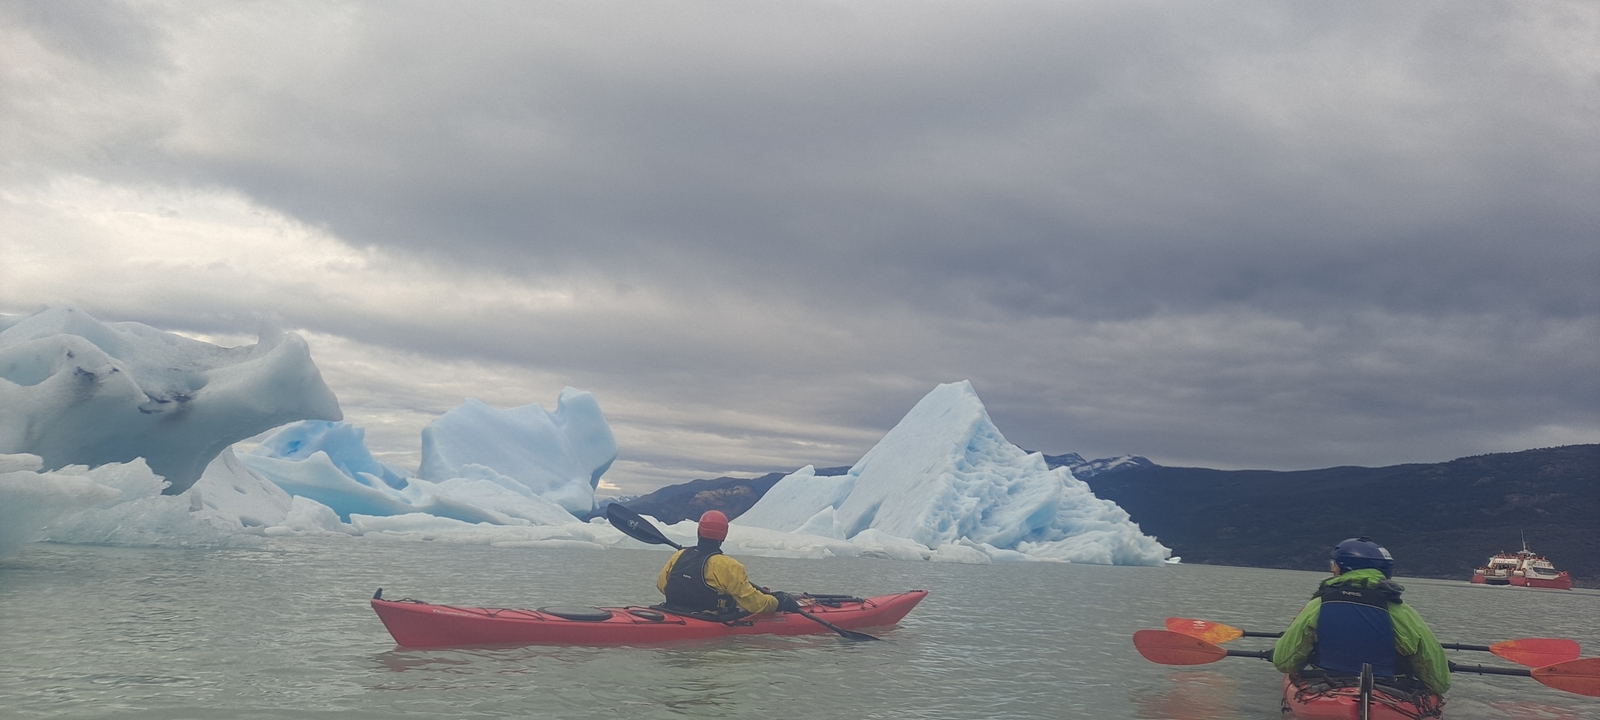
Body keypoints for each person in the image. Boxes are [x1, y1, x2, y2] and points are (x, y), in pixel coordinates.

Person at [1272, 537, 1451, 697]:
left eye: (1334, 564)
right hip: (1389, 689)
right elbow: (1439, 679)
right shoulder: (1401, 611)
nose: (1332, 569)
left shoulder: (1317, 605)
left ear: (1345, 567)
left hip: (1326, 684)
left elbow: (1283, 661)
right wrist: (1435, 687)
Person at [655, 510, 804, 620]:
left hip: (673, 611)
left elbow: (662, 586)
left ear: (699, 530)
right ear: (724, 536)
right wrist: (777, 602)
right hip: (707, 618)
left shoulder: (679, 555)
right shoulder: (729, 566)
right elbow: (755, 604)